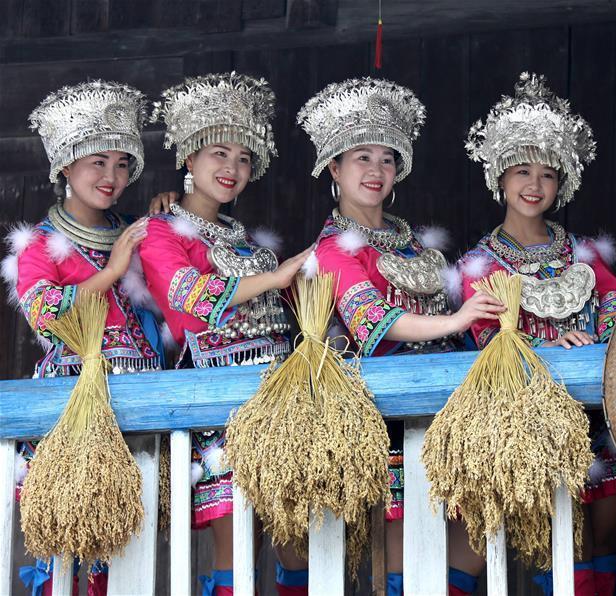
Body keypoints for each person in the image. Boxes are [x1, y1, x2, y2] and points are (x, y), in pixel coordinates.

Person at [297, 77, 504, 596]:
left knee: (467, 547)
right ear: (334, 169)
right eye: (361, 157)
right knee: (403, 560)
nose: (375, 170)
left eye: (387, 159)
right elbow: (373, 323)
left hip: (448, 410)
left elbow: (464, 311)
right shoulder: (332, 250)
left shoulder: (413, 242)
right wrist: (456, 323)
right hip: (382, 414)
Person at [140, 72, 310, 596]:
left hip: (278, 395)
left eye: (242, 157)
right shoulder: (160, 230)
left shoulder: (240, 236)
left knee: (295, 542)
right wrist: (280, 275)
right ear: (189, 158)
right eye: (218, 153)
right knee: (235, 546)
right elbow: (188, 301)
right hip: (220, 399)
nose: (231, 168)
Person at [459, 72, 616, 596]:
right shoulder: (479, 263)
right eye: (522, 171)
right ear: (501, 179)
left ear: (563, 184)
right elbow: (485, 338)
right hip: (533, 421)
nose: (535, 185)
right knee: (562, 539)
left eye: (548, 175)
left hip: (599, 414)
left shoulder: (584, 253)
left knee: (608, 535)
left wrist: (600, 340)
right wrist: (548, 348)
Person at [3, 80, 162, 596]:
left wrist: (172, 209)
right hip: (73, 407)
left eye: (121, 164)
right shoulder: (41, 248)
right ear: (64, 167)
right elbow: (46, 316)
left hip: (139, 405)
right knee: (73, 553)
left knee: (129, 556)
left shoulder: (135, 231)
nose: (111, 176)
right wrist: (114, 268)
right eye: (97, 162)